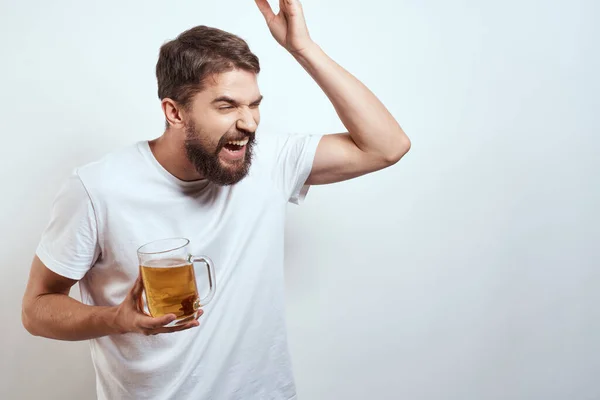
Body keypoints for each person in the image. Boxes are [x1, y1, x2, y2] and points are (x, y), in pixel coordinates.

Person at [21, 0, 411, 399]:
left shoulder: (269, 162)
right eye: (226, 106)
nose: (249, 123)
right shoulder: (98, 188)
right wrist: (117, 318)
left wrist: (302, 49)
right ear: (175, 112)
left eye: (254, 105)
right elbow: (37, 308)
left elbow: (386, 146)